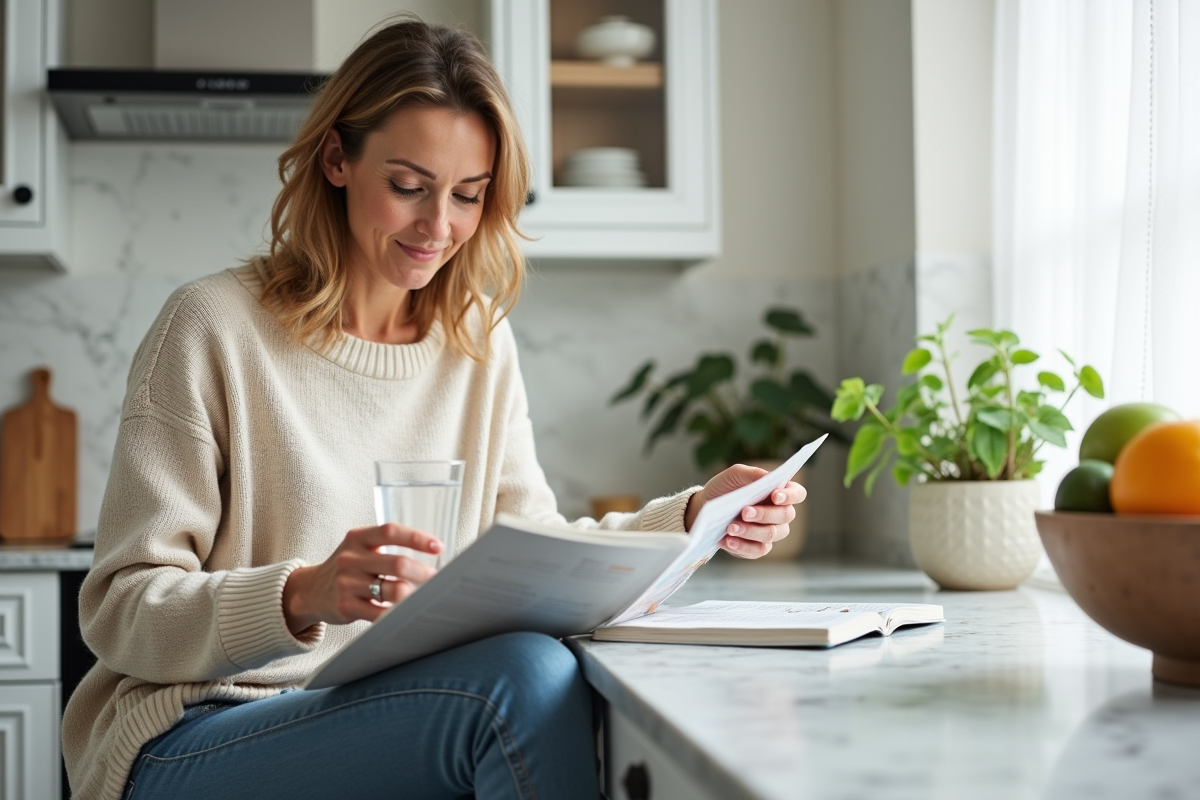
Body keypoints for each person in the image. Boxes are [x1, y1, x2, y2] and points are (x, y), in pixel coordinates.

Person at [61, 17, 806, 800]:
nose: (439, 226)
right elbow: (118, 609)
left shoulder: (476, 342)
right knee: (516, 682)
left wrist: (692, 518)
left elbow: (536, 552)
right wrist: (303, 593)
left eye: (468, 195)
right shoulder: (211, 326)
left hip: (374, 711)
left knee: (540, 664)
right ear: (337, 159)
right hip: (191, 733)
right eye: (409, 187)